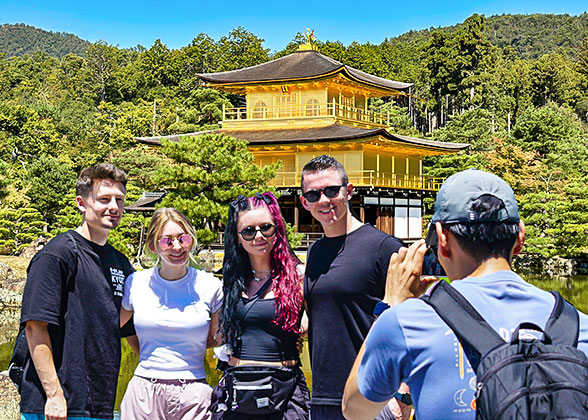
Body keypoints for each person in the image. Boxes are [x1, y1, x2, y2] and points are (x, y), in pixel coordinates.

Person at [342, 168, 588, 420]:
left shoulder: (407, 321)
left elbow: (355, 410)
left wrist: (390, 306)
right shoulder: (578, 324)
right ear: (520, 236)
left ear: (442, 238)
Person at [19, 163, 135, 420]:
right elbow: (35, 327)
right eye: (104, 199)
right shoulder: (59, 253)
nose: (114, 207)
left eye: (119, 199)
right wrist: (54, 396)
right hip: (55, 405)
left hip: (99, 401)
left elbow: (124, 327)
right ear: (82, 203)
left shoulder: (120, 262)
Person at [299, 155, 406, 420]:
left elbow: (416, 324)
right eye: (313, 194)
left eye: (332, 190)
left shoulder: (385, 248)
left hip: (373, 396)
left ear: (349, 191)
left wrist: (403, 397)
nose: (324, 200)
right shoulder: (314, 252)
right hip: (323, 397)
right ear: (304, 202)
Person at [211, 192, 310, 419]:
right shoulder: (231, 281)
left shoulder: (299, 277)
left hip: (284, 389)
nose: (258, 236)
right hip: (238, 388)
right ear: (237, 237)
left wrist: (305, 323)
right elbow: (219, 335)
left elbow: (323, 321)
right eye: (248, 231)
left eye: (266, 227)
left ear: (277, 229)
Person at [119, 207, 222, 420]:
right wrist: (151, 350)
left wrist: (187, 343)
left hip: (194, 392)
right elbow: (122, 328)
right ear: (154, 246)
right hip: (144, 391)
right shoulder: (136, 283)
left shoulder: (210, 285)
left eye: (183, 239)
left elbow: (217, 338)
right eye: (167, 241)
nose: (177, 247)